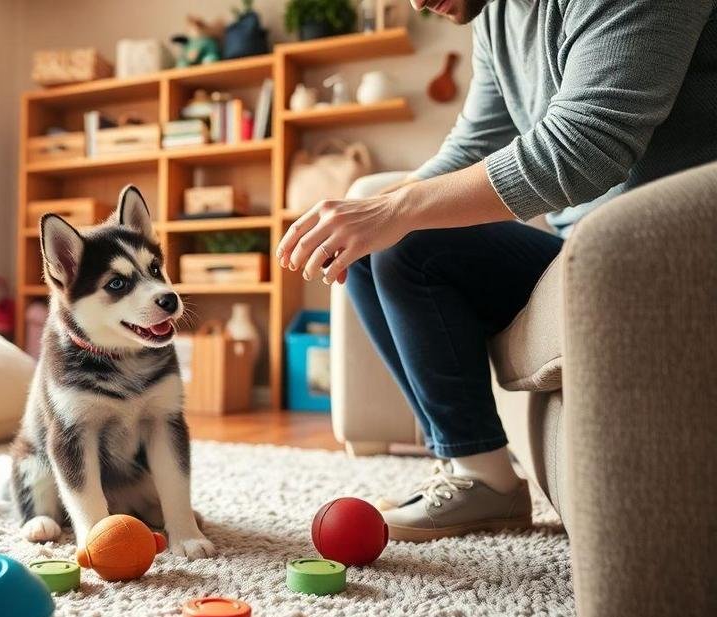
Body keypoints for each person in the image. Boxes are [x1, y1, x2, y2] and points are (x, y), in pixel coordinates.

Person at [275, 0, 717, 541]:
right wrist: (368, 215)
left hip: (671, 251)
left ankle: (484, 483)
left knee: (406, 233)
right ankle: (475, 468)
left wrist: (396, 212)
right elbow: (474, 144)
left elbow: (586, 145)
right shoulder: (495, 12)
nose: (416, 4)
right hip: (579, 252)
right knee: (376, 241)